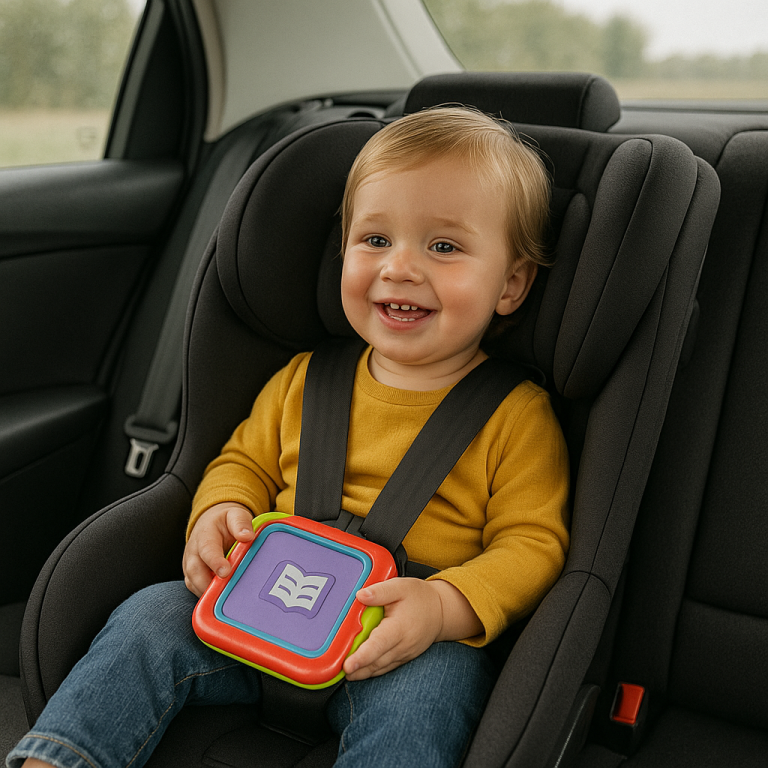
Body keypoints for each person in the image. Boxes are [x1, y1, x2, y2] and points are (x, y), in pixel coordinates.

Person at [9, 107, 570, 768]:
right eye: (375, 240)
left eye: (443, 247)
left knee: (430, 700)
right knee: (145, 620)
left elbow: (534, 544)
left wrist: (444, 607)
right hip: (262, 599)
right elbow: (241, 462)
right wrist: (218, 514)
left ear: (511, 284)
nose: (399, 269)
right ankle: (58, 758)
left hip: (399, 636)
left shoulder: (516, 416)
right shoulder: (308, 378)